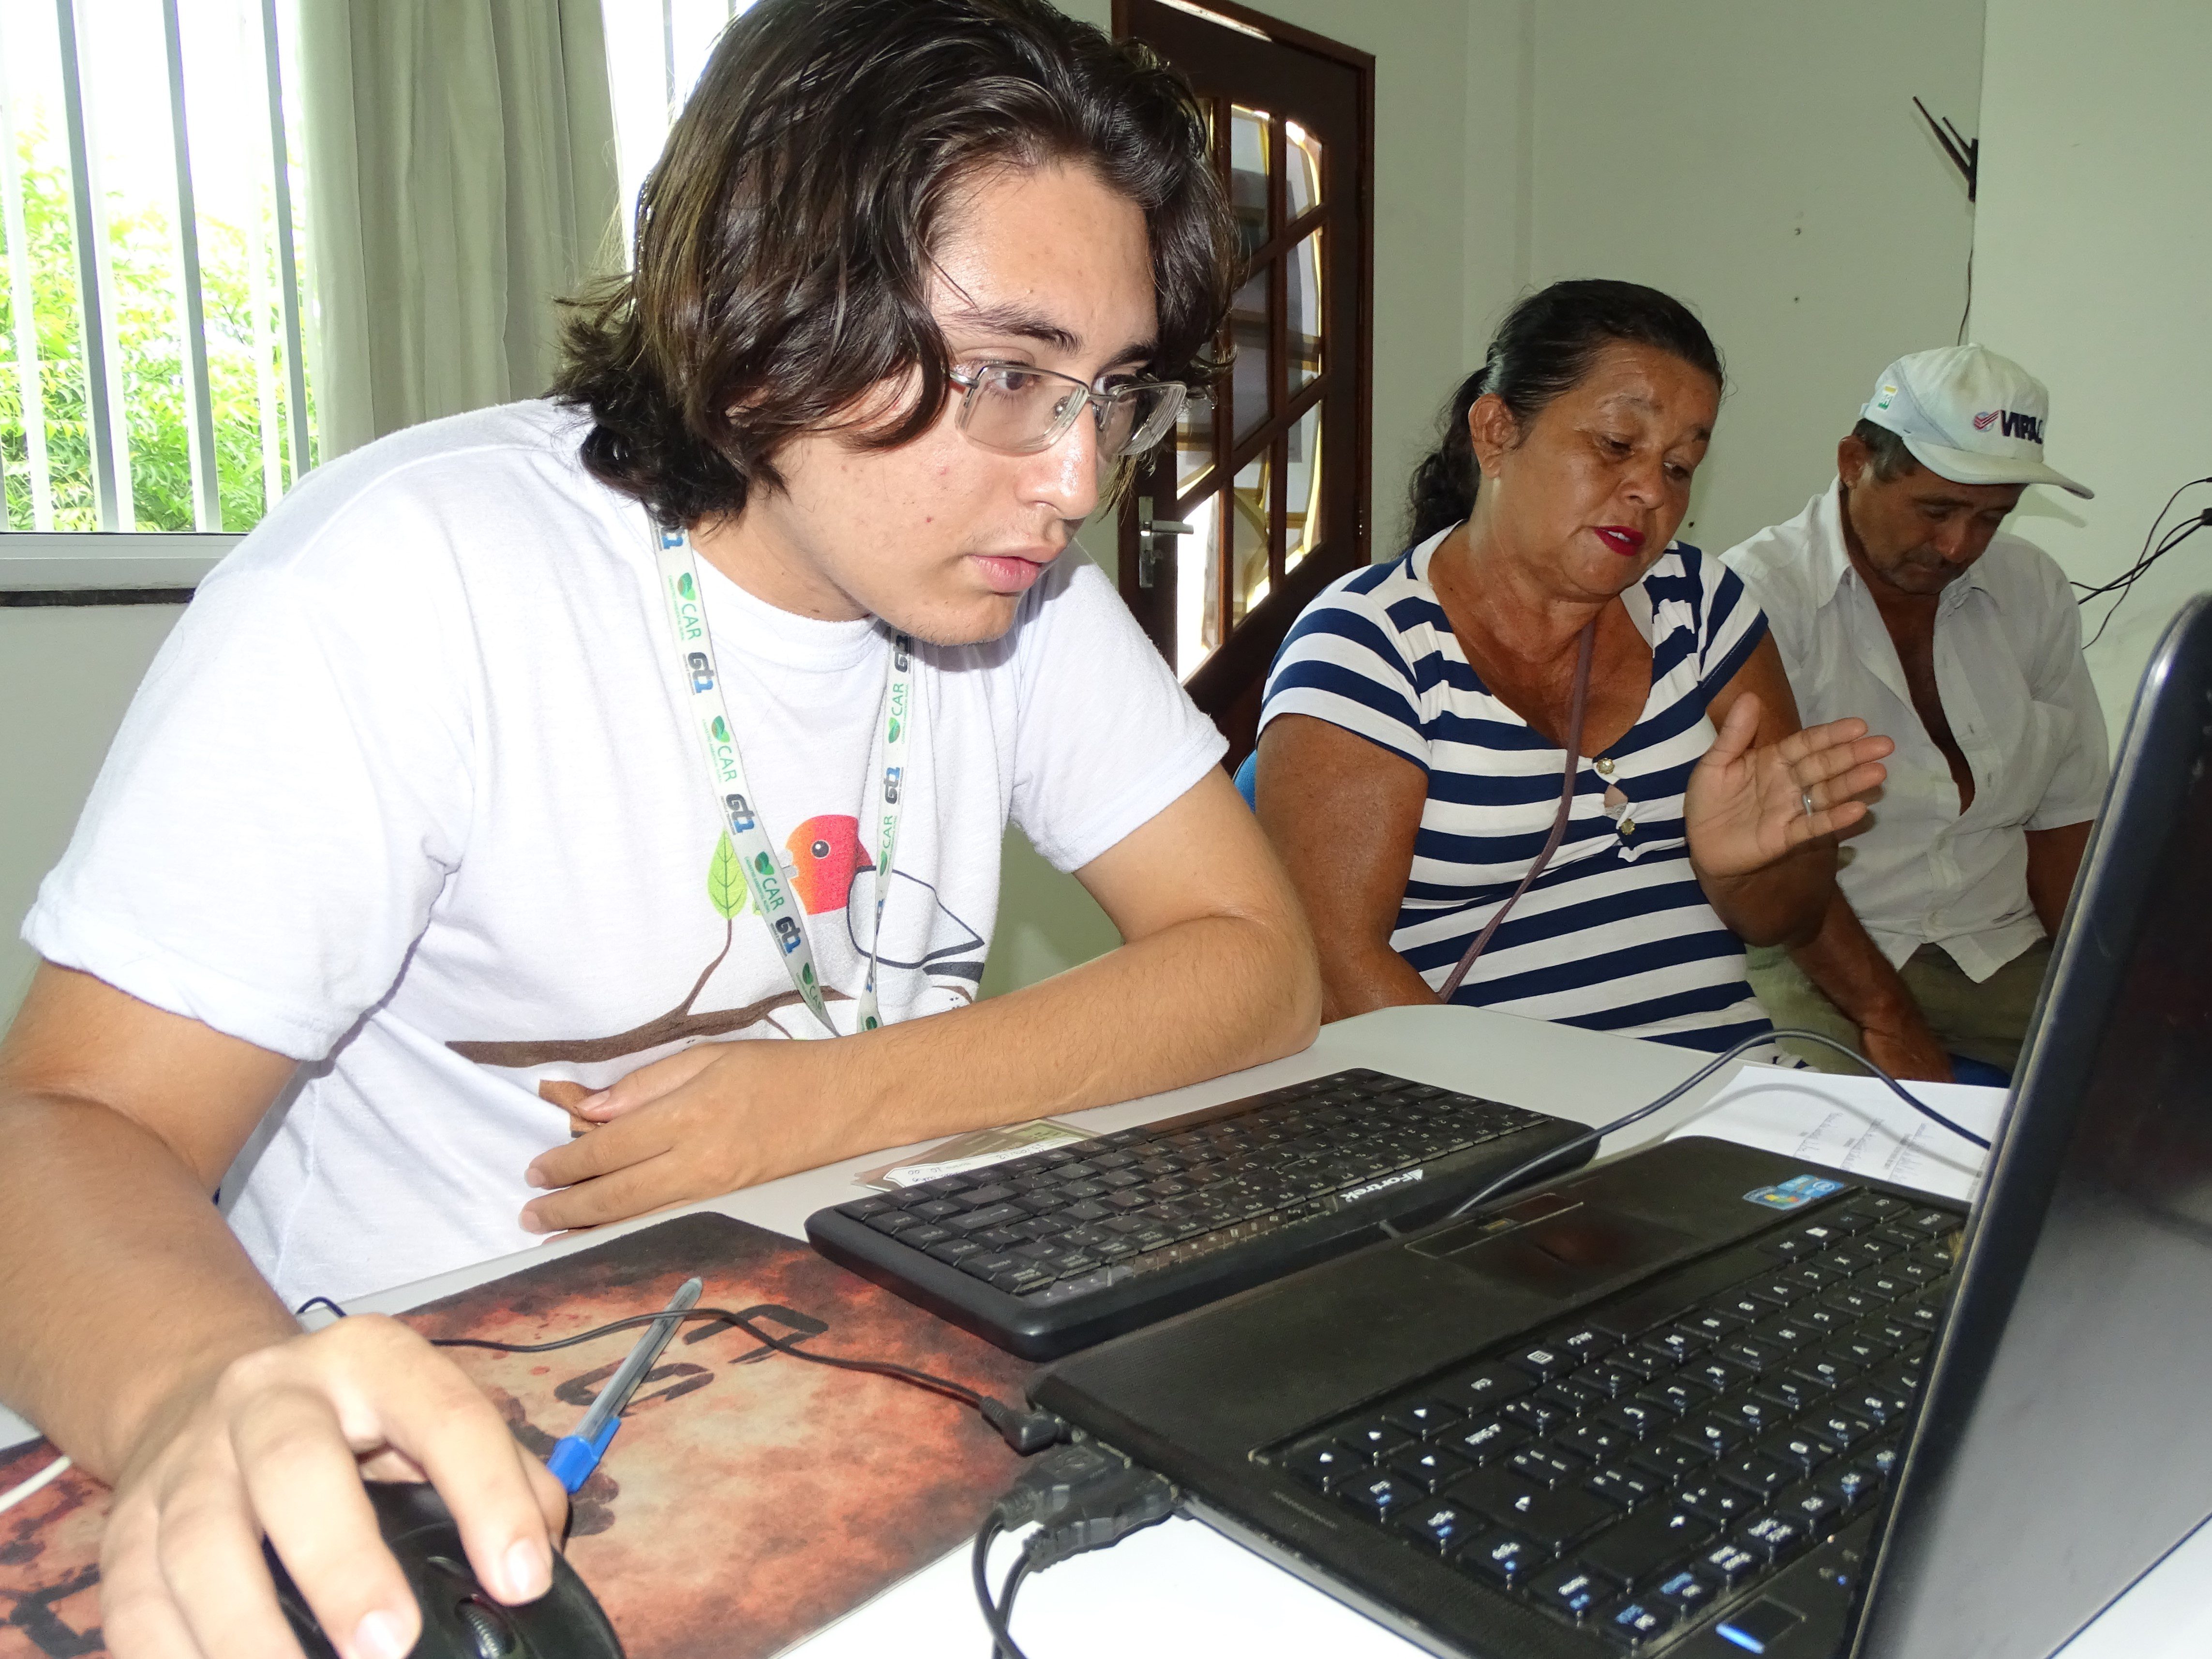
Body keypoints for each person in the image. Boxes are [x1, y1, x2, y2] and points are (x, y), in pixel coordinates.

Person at [0, 3, 1321, 1654]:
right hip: (436, 1420)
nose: (1070, 482)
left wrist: (834, 1102)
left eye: (1110, 392)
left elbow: (1257, 962)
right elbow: (59, 1121)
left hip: (860, 1374)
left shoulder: (1016, 597)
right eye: (1003, 377)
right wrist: (205, 1392)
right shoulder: (414, 578)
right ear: (767, 320)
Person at [1254, 281, 1891, 1052]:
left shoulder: (1702, 604)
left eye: (1682, 467)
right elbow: (1332, 967)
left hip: (1724, 1091)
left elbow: (1788, 915)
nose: (1651, 491)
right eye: (1617, 445)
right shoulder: (1369, 642)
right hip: (1486, 1117)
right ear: (1495, 432)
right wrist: (1537, 1131)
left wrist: (1743, 871)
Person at [1723, 345, 2105, 1080]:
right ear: (1853, 461)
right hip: (1821, 952)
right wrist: (1888, 1019)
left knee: (2163, 1096)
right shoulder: (1759, 596)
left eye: (1993, 518)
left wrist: (2116, 999)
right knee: (1841, 1152)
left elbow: (2066, 826)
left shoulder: (2033, 590)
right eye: (1936, 509)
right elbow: (1782, 863)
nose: (1959, 545)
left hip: (2000, 950)